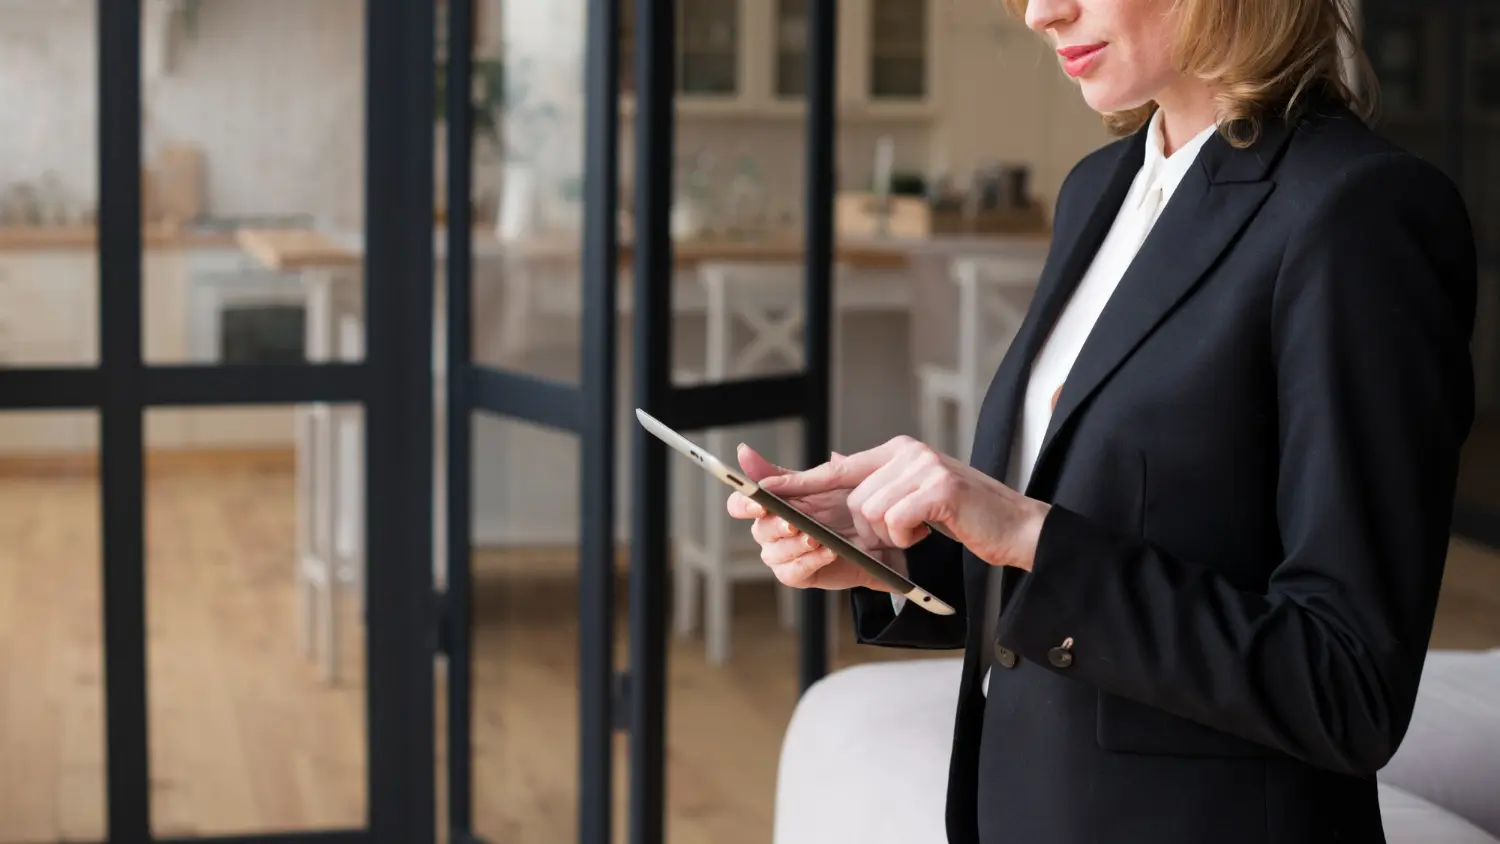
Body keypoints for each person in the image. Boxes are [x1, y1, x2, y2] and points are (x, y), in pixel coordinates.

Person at [726, 0, 1479, 842]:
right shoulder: (1102, 187)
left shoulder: (1360, 212)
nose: (1041, 14)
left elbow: (1348, 687)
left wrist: (1024, 528)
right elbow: (1114, 533)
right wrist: (898, 555)